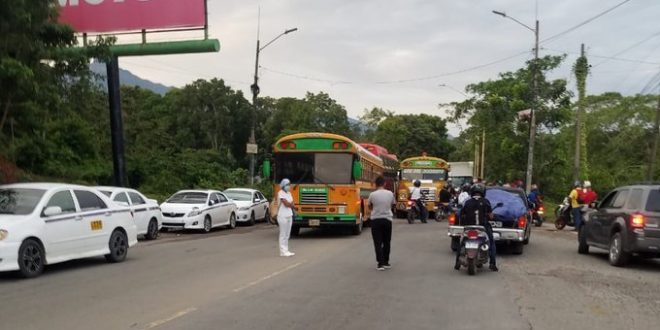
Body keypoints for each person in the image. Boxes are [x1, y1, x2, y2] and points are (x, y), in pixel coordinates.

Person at [455, 184, 498, 271]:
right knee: (491, 242)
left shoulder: (467, 202)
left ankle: (457, 263)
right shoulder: (486, 201)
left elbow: (461, 214)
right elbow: (491, 216)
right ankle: (492, 264)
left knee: (461, 242)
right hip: (483, 227)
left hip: (469, 227)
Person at [369, 176, 396, 271]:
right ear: (384, 184)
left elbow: (370, 206)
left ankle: (380, 264)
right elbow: (393, 204)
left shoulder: (372, 194)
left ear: (376, 184)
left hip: (375, 220)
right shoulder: (390, 194)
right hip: (387, 219)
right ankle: (386, 262)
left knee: (377, 242)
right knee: (386, 241)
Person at [277, 179, 295, 257]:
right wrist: (290, 204)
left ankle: (286, 250)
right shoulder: (280, 193)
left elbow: (292, 203)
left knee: (287, 234)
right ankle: (282, 251)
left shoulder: (289, 193)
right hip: (282, 216)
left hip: (289, 215)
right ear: (283, 185)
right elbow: (286, 204)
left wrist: (290, 204)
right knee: (283, 234)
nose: (289, 186)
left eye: (289, 184)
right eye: (287, 184)